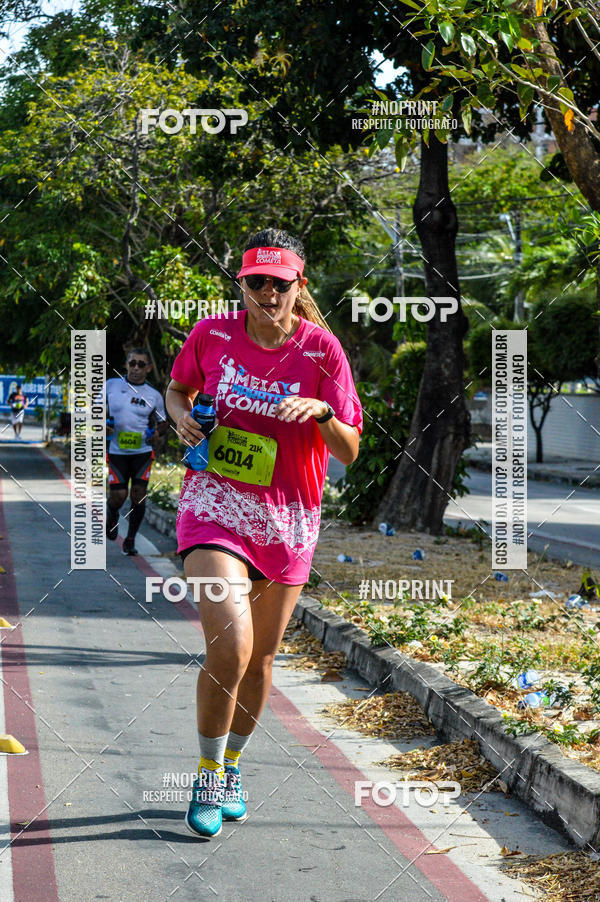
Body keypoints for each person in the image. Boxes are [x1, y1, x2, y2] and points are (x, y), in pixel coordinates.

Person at [166, 228, 362, 838]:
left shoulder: (322, 351)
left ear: (299, 286)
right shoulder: (212, 335)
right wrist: (181, 423)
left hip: (288, 518)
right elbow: (178, 391)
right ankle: (204, 771)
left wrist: (323, 414)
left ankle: (232, 766)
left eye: (281, 284)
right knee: (231, 646)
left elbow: (351, 451)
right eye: (257, 282)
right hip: (216, 504)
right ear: (241, 284)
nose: (268, 293)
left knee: (262, 661)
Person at [104, 348, 168, 555]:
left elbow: (163, 422)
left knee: (138, 495)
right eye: (132, 363)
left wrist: (156, 434)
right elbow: (96, 411)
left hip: (142, 451)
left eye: (141, 364)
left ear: (148, 368)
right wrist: (102, 425)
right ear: (126, 364)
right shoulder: (111, 386)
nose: (136, 368)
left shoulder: (154, 395)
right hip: (117, 451)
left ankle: (130, 540)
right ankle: (112, 514)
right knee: (118, 496)